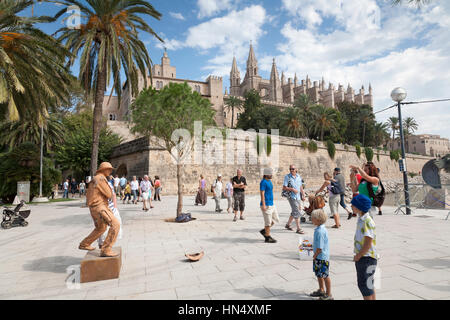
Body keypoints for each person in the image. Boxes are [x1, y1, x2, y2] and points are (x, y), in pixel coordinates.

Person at [79, 162, 120, 257]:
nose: (110, 171)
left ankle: (84, 244)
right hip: (99, 206)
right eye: (109, 169)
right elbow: (109, 194)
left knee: (101, 228)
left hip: (96, 207)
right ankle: (106, 249)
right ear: (104, 170)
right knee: (116, 224)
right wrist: (111, 185)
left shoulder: (97, 178)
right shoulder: (100, 178)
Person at [351, 194, 379, 300]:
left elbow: (368, 242)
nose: (351, 207)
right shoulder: (362, 219)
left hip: (366, 258)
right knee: (369, 283)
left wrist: (359, 255)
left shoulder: (367, 221)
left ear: (359, 207)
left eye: (353, 205)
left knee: (364, 285)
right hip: (367, 257)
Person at [310, 208, 333, 300]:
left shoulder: (320, 231)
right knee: (319, 274)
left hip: (321, 257)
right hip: (319, 257)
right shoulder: (319, 229)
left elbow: (320, 247)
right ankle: (321, 289)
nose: (311, 219)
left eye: (313, 218)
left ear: (318, 220)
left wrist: (315, 255)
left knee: (324, 275)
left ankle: (328, 294)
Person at [98, 172, 123, 250]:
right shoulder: (99, 185)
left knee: (116, 226)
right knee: (103, 230)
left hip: (112, 210)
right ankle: (102, 247)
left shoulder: (109, 184)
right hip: (104, 210)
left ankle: (108, 246)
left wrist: (115, 207)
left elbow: (113, 195)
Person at [284, 165, 306, 234]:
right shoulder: (287, 177)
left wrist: (303, 194)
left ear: (296, 169)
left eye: (293, 169)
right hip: (291, 197)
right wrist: (292, 189)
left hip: (298, 197)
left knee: (295, 210)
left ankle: (288, 225)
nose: (291, 170)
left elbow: (300, 187)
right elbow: (284, 187)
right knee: (297, 211)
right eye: (290, 169)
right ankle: (298, 229)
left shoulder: (299, 177)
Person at [259, 168, 279, 243]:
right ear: (266, 174)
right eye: (270, 174)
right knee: (268, 222)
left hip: (271, 204)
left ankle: (265, 231)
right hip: (266, 205)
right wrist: (263, 204)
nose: (271, 175)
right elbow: (262, 193)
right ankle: (267, 237)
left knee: (275, 220)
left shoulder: (269, 181)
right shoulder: (263, 182)